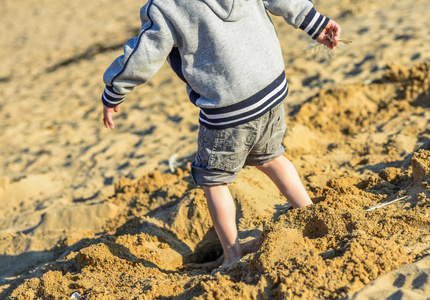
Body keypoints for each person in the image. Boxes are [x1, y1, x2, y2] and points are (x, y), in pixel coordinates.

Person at [101, 0, 341, 268]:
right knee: (271, 157)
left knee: (213, 180)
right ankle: (309, 213)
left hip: (228, 106)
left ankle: (232, 256)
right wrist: (316, 24)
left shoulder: (166, 6)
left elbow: (145, 53)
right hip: (270, 89)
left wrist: (115, 89)